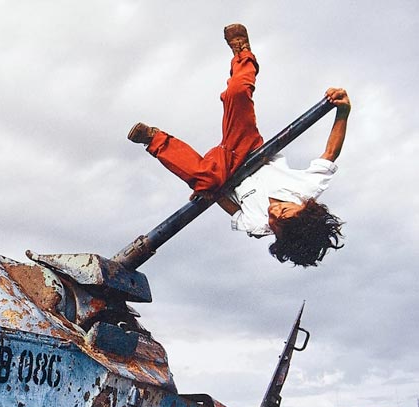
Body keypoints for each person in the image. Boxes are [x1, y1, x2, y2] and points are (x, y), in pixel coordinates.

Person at [127, 24, 350, 267]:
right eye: (284, 212)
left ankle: (154, 139)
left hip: (224, 172)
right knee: (237, 92)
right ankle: (242, 54)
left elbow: (234, 210)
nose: (273, 214)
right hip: (249, 148)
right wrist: (343, 110)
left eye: (276, 225)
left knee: (205, 180)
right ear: (306, 207)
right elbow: (330, 152)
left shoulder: (257, 225)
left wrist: (212, 193)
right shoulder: (308, 188)